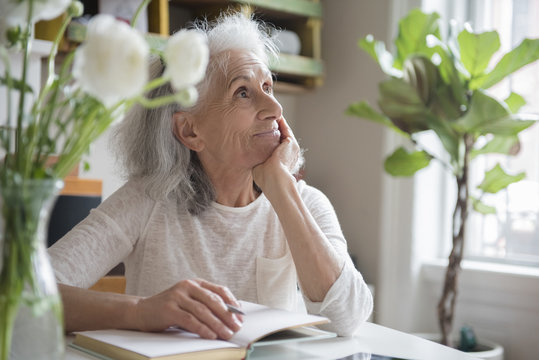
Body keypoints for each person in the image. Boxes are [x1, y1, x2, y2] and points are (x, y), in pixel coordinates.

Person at [48, 12, 373, 340]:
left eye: (267, 86)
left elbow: (347, 318)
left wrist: (282, 187)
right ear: (189, 131)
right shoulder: (146, 201)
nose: (274, 108)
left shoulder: (306, 203)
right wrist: (140, 311)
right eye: (243, 92)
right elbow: (25, 294)